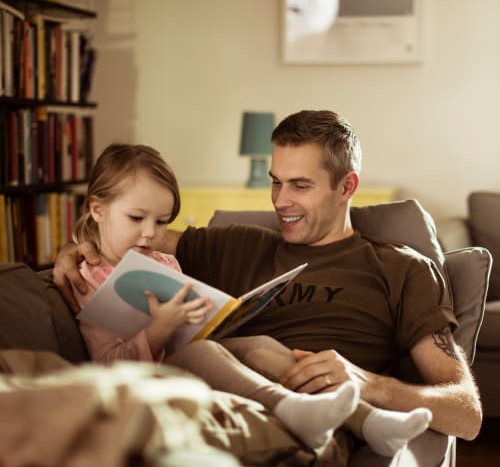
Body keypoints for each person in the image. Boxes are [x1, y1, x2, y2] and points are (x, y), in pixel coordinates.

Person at [54, 109, 481, 449]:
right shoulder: (237, 245)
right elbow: (126, 232)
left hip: (313, 430)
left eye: (300, 185)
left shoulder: (399, 268)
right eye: (275, 183)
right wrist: (75, 250)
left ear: (347, 185)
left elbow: (466, 413)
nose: (281, 201)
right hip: (215, 403)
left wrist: (371, 386)